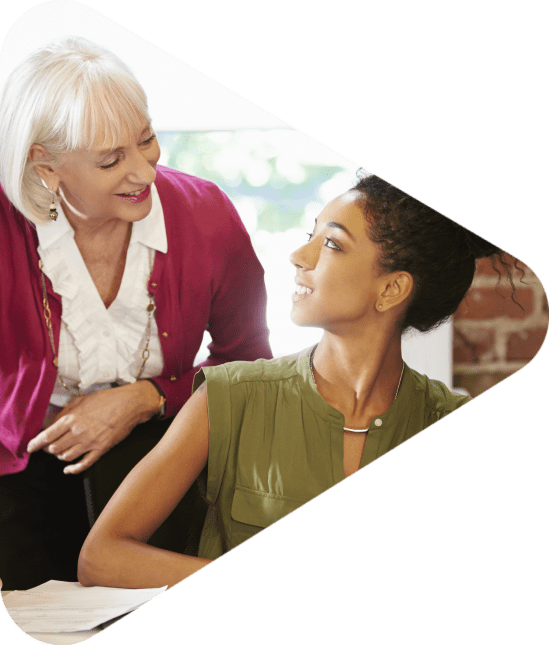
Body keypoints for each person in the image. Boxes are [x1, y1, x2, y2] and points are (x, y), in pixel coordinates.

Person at [77, 174, 518, 590]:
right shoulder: (229, 396)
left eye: (331, 244)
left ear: (391, 290)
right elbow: (101, 557)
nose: (299, 257)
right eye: (312, 237)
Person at [0, 37, 272, 590]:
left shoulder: (207, 216)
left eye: (146, 140)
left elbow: (251, 369)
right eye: (110, 160)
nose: (143, 172)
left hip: (162, 461)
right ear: (44, 165)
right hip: (18, 468)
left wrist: (150, 397)